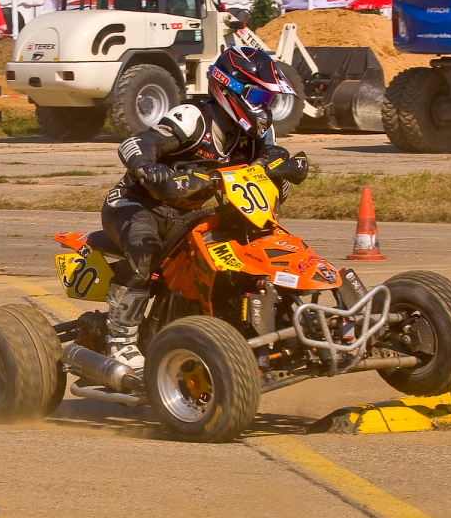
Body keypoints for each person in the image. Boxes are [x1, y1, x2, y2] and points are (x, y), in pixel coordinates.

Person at [100, 46, 302, 372]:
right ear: (229, 88)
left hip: (186, 214)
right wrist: (147, 168)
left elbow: (273, 167)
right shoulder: (194, 118)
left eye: (268, 100)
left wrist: (280, 170)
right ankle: (120, 340)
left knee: (240, 245)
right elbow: (136, 143)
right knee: (145, 249)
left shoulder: (254, 135)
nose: (264, 108)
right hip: (135, 205)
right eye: (258, 97)